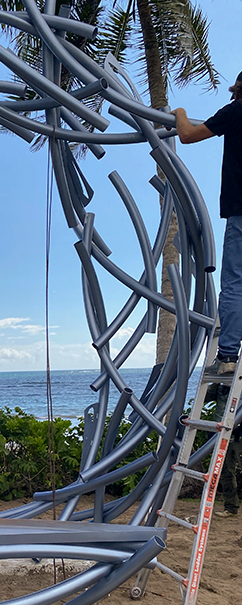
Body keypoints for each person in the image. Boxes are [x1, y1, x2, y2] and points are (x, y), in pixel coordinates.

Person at [173, 71, 242, 376]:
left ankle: (227, 356)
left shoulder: (235, 111)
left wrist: (180, 114)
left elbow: (186, 135)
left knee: (235, 283)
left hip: (241, 211)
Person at [205, 382, 242, 519]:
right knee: (226, 472)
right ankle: (231, 507)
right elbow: (205, 398)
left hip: (239, 435)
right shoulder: (221, 387)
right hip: (222, 434)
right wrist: (215, 383)